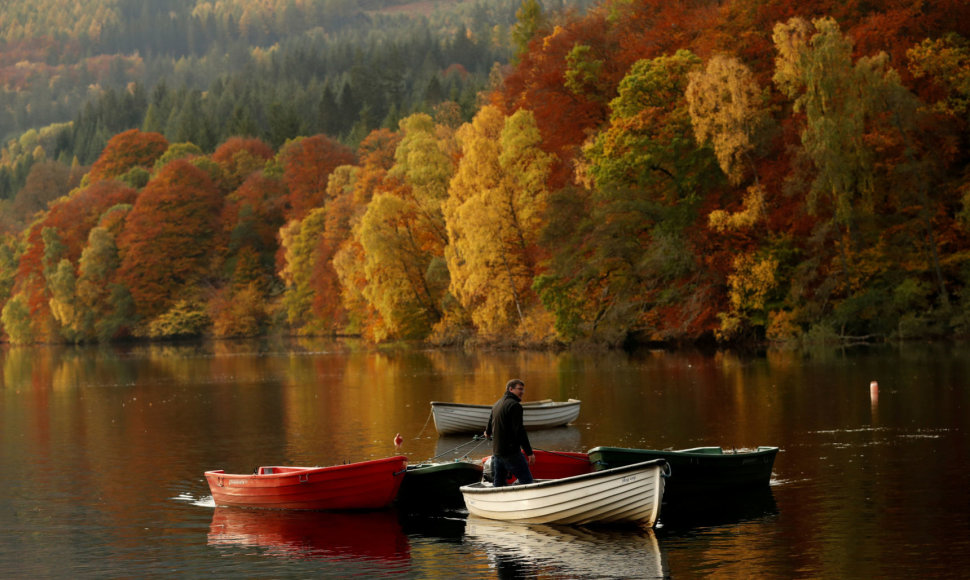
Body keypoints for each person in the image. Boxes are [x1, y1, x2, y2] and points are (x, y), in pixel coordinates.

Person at [484, 378, 535, 486]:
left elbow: (489, 425)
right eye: (519, 389)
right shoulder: (515, 405)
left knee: (499, 484)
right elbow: (519, 431)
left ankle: (498, 502)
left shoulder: (497, 404)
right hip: (511, 453)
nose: (522, 392)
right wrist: (529, 452)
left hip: (497, 452)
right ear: (511, 389)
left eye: (523, 390)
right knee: (527, 482)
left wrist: (487, 433)